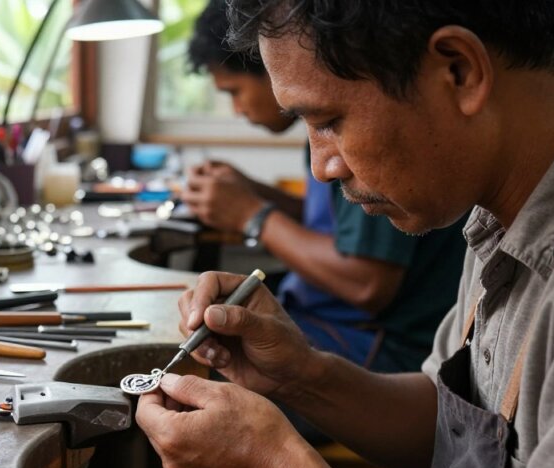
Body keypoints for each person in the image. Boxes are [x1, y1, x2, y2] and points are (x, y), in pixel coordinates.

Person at [137, 0, 554, 468]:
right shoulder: (505, 200)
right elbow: (450, 423)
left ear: (458, 70)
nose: (321, 167)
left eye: (329, 122)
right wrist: (300, 375)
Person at [181, 0, 466, 374]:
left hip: (377, 344)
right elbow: (335, 226)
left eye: (234, 91)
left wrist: (252, 215)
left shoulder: (364, 147)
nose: (323, 169)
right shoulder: (328, 143)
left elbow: (367, 285)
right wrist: (254, 193)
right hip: (331, 322)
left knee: (194, 370)